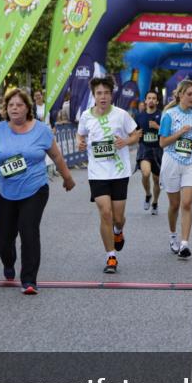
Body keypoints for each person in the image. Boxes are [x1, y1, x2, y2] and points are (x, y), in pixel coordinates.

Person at [0, 88, 76, 294]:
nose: (14, 108)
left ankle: (29, 280)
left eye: (19, 105)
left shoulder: (41, 130)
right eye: (11, 105)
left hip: (35, 188)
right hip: (6, 189)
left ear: (27, 108)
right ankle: (8, 261)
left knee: (28, 230)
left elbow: (57, 157)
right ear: (6, 109)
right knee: (4, 238)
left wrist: (67, 178)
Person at [77, 76, 141, 274]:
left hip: (119, 172)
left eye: (106, 93)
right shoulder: (86, 116)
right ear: (94, 95)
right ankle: (111, 256)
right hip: (97, 173)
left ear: (111, 94)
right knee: (105, 213)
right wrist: (79, 141)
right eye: (99, 93)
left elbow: (137, 133)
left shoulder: (121, 115)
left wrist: (126, 142)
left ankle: (118, 231)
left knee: (118, 218)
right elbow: (80, 134)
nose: (103, 97)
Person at [159, 81, 192, 259]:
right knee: (174, 205)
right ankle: (173, 236)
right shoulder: (169, 115)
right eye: (189, 94)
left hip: (191, 160)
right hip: (172, 161)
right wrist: (180, 132)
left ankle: (184, 244)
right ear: (180, 95)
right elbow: (163, 142)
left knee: (186, 203)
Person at [135, 90, 163, 215]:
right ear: (145, 101)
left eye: (153, 98)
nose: (151, 100)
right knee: (145, 174)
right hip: (144, 148)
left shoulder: (162, 116)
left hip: (158, 150)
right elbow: (135, 133)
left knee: (156, 179)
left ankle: (155, 202)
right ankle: (148, 194)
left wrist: (157, 127)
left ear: (157, 101)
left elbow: (169, 132)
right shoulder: (139, 116)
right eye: (149, 98)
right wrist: (136, 135)